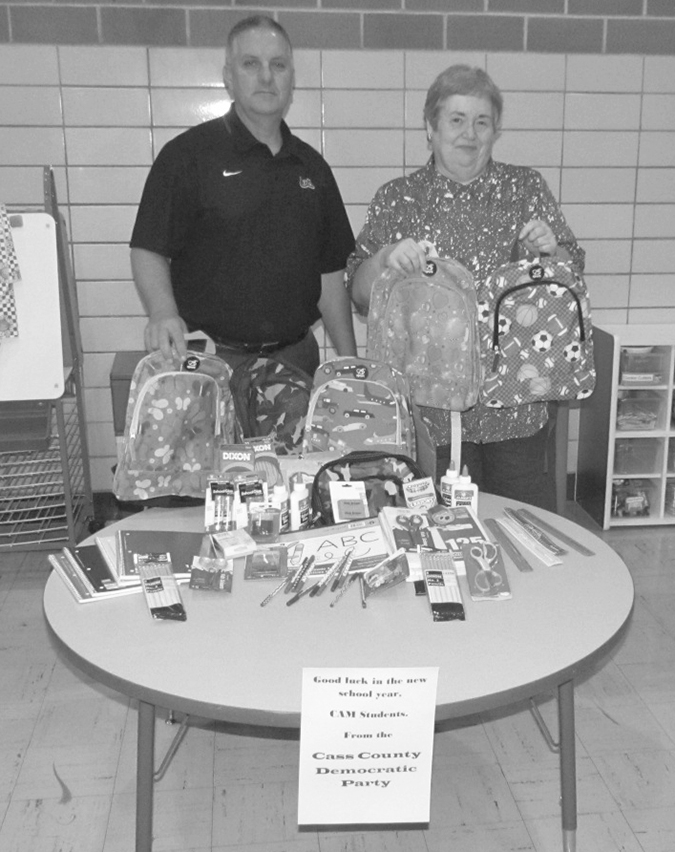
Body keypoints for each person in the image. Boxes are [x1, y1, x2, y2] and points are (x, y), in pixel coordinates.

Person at [347, 65, 585, 511]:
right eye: (456, 119)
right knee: (439, 533)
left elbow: (572, 277)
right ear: (430, 127)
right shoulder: (397, 199)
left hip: (516, 409)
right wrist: (384, 261)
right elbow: (359, 293)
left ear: (496, 131)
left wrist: (552, 253)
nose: (469, 134)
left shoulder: (525, 190)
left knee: (523, 524)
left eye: (482, 122)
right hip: (431, 415)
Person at [130, 15, 357, 379]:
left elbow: (330, 276)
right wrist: (162, 311)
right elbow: (148, 248)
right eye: (251, 64)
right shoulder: (187, 156)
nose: (266, 76)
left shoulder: (313, 169)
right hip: (210, 366)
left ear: (292, 79)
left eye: (278, 65)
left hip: (296, 363)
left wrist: (349, 365)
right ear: (228, 77)